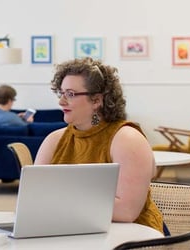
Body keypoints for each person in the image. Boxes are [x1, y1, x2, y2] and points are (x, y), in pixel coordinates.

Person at [34, 58, 165, 235]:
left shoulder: (127, 139)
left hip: (132, 236)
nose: (61, 102)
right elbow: (34, 200)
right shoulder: (54, 140)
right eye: (61, 93)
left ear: (96, 100)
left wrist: (59, 203)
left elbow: (127, 212)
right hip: (72, 231)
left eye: (70, 94)